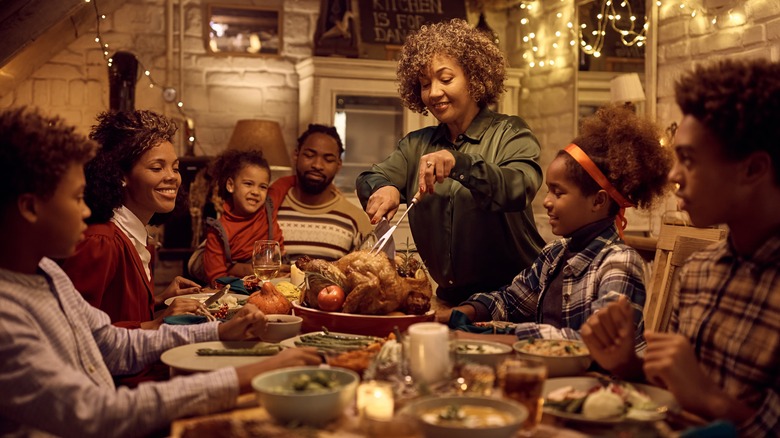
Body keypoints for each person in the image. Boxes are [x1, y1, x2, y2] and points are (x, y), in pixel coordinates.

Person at [0, 107, 321, 437]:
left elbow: (113, 343)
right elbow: (95, 412)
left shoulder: (48, 274)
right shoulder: (7, 318)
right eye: (77, 197)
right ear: (30, 207)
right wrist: (249, 375)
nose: (86, 209)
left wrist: (219, 333)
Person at [580, 59, 780, 436]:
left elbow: (703, 399)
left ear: (752, 170)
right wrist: (628, 366)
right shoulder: (698, 271)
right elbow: (676, 396)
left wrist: (712, 400)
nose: (673, 175)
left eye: (687, 159)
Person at [436, 104, 672, 348]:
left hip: (601, 383)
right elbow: (510, 301)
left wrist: (482, 338)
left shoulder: (619, 263)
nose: (547, 201)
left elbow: (596, 344)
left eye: (558, 193)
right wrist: (457, 315)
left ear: (598, 200)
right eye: (549, 190)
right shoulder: (555, 254)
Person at [356, 19, 546, 305]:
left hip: (518, 298)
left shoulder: (510, 132)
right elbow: (369, 178)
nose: (433, 93)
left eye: (445, 79)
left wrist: (460, 163)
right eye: (424, 84)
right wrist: (384, 187)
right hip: (449, 299)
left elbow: (519, 187)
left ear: (475, 77)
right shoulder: (415, 145)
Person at [61, 110, 202, 330]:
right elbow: (75, 331)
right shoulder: (100, 241)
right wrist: (157, 323)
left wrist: (158, 301)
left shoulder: (134, 235)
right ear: (120, 176)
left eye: (175, 168)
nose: (172, 177)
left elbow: (114, 311)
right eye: (157, 167)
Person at [269, 123, 373, 262]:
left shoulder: (356, 219)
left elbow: (368, 274)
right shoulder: (271, 210)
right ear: (296, 155)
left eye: (328, 159)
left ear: (338, 165)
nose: (317, 165)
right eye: (309, 155)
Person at [202, 149, 284, 285]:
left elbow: (290, 181)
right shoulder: (219, 231)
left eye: (263, 187)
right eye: (248, 184)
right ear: (231, 185)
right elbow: (217, 278)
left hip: (279, 278)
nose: (255, 192)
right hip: (241, 288)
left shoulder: (269, 205)